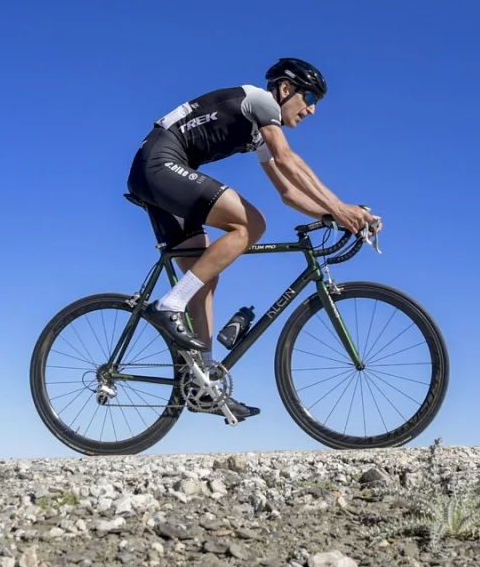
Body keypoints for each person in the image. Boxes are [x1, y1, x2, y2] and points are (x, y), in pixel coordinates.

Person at [125, 58, 380, 422]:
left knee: (204, 278)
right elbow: (287, 158)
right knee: (251, 224)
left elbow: (288, 193)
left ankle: (202, 384)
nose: (312, 109)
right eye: (309, 97)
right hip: (159, 164)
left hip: (158, 173)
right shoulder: (260, 100)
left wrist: (332, 217)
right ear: (286, 89)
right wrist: (340, 207)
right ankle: (169, 306)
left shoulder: (260, 132)